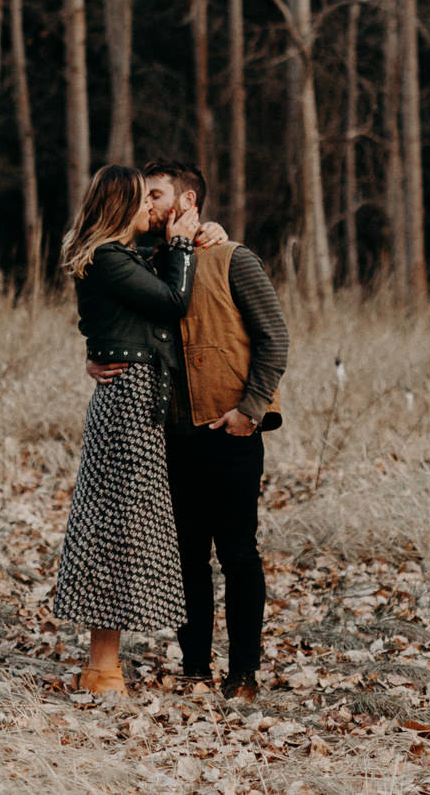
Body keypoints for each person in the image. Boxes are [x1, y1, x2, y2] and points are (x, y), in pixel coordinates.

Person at [92, 159, 287, 701]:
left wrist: (250, 410)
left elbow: (274, 339)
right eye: (143, 197)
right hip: (170, 435)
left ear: (189, 204)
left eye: (157, 195)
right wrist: (95, 358)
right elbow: (113, 319)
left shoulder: (232, 259)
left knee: (239, 554)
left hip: (230, 431)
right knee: (187, 558)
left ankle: (244, 673)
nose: (148, 206)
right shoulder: (146, 263)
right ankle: (196, 666)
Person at [48, 164, 200, 698]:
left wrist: (200, 236)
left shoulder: (118, 257)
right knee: (116, 527)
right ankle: (102, 667)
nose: (149, 210)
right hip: (128, 403)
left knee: (123, 526)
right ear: (120, 208)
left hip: (135, 397)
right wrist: (182, 248)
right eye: (141, 202)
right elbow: (172, 301)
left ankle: (104, 664)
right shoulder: (109, 257)